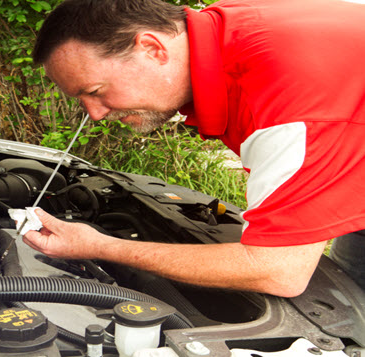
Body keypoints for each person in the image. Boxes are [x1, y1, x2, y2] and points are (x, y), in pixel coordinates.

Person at [23, 0, 365, 297]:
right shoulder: (226, 28)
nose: (95, 114)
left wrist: (99, 245)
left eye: (95, 90)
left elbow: (278, 271)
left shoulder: (293, 102)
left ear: (153, 49)